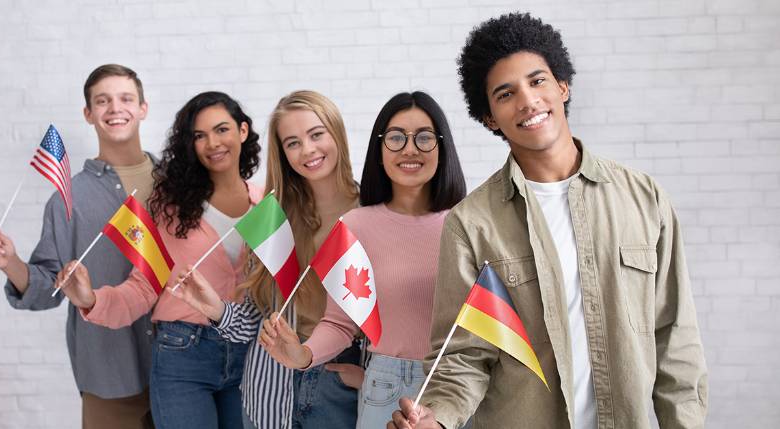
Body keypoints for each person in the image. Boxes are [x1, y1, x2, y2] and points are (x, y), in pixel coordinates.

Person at [388, 12, 708, 429]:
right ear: (489, 117)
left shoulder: (643, 198)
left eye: (537, 81)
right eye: (505, 94)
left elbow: (675, 338)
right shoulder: (472, 224)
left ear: (562, 85)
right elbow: (464, 355)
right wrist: (437, 418)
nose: (527, 101)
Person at [258, 91, 466, 428]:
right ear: (379, 149)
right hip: (385, 388)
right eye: (396, 138)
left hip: (455, 388)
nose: (410, 149)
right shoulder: (356, 225)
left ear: (442, 147)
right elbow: (342, 322)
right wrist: (303, 355)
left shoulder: (467, 224)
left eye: (425, 138)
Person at [56, 91, 262, 429]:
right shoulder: (170, 208)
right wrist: (91, 299)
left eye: (222, 129)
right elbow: (143, 288)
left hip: (250, 358)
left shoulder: (266, 203)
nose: (212, 142)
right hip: (183, 353)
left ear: (242, 131)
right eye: (199, 135)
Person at [171, 90, 362, 429]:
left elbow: (393, 317)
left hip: (339, 390)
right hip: (270, 394)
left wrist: (368, 376)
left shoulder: (370, 213)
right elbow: (251, 323)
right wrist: (215, 308)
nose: (307, 150)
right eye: (292, 143)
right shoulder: (273, 219)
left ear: (336, 132)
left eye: (316, 134)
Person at [0, 64, 156, 429]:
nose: (115, 108)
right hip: (110, 373)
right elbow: (49, 290)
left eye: (125, 98)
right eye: (102, 101)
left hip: (187, 372)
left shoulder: (178, 184)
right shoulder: (67, 201)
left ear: (143, 108)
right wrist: (11, 262)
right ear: (88, 114)